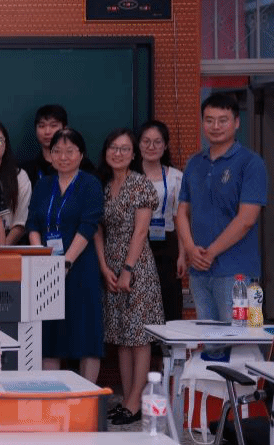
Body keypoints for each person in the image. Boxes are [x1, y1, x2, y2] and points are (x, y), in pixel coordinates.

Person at [176, 93, 268, 322]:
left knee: (237, 336)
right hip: (199, 271)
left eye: (222, 120)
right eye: (209, 120)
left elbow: (246, 219)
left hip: (235, 273)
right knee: (207, 337)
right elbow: (182, 213)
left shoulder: (251, 163)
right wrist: (190, 249)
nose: (215, 126)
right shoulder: (194, 163)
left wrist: (211, 253)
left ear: (236, 122)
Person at [93, 129, 163, 425]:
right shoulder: (103, 186)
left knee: (139, 336)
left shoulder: (140, 183)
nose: (118, 153)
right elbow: (97, 229)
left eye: (124, 149)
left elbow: (141, 231)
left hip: (137, 266)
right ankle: (126, 399)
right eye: (113, 147)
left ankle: (136, 402)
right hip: (110, 264)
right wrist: (104, 267)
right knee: (121, 335)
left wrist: (127, 269)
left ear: (134, 154)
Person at [26, 128, 104, 382]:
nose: (63, 157)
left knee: (86, 333)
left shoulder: (90, 184)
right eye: (57, 151)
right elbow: (32, 224)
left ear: (81, 155)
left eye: (70, 151)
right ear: (50, 155)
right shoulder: (43, 184)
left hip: (81, 267)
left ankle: (88, 397)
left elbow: (88, 226)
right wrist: (42, 257)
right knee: (50, 335)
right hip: (46, 269)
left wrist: (67, 261)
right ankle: (51, 396)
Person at [133, 120, 185, 322]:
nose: (151, 147)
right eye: (146, 141)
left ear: (165, 145)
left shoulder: (176, 177)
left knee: (169, 301)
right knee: (139, 303)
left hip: (167, 244)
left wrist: (182, 255)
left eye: (157, 142)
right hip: (136, 243)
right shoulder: (130, 176)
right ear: (138, 144)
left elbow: (180, 219)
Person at [20, 104, 94, 184]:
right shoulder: (26, 170)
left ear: (65, 129)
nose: (47, 132)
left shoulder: (82, 165)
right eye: (41, 126)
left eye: (53, 125)